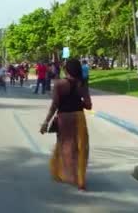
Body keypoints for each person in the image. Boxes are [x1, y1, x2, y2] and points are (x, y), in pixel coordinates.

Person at [40, 59, 92, 191]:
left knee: (65, 146)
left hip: (64, 118)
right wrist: (79, 102)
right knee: (80, 148)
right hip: (78, 117)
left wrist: (46, 122)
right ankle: (80, 180)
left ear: (66, 70)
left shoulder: (59, 84)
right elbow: (89, 105)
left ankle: (64, 174)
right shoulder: (82, 84)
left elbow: (54, 106)